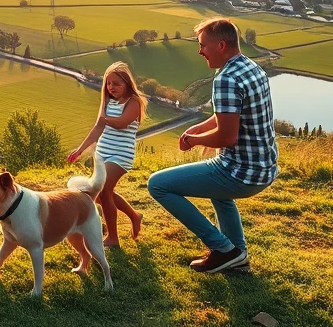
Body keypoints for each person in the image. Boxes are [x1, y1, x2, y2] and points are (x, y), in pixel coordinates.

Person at [147, 17, 278, 273]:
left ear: (220, 45)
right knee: (217, 191)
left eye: (203, 45)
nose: (200, 51)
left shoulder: (225, 79)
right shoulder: (251, 68)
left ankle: (222, 249)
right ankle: (236, 257)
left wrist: (195, 141)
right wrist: (199, 127)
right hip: (264, 168)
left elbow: (227, 137)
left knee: (158, 185)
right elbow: (230, 114)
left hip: (240, 173)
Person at [68, 61, 145, 246]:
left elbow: (122, 123)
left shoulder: (134, 101)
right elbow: (97, 129)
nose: (111, 87)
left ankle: (113, 238)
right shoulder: (107, 100)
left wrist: (104, 120)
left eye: (116, 83)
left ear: (127, 83)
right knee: (102, 192)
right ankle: (134, 216)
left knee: (103, 191)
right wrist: (80, 150)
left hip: (121, 155)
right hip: (102, 153)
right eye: (108, 83)